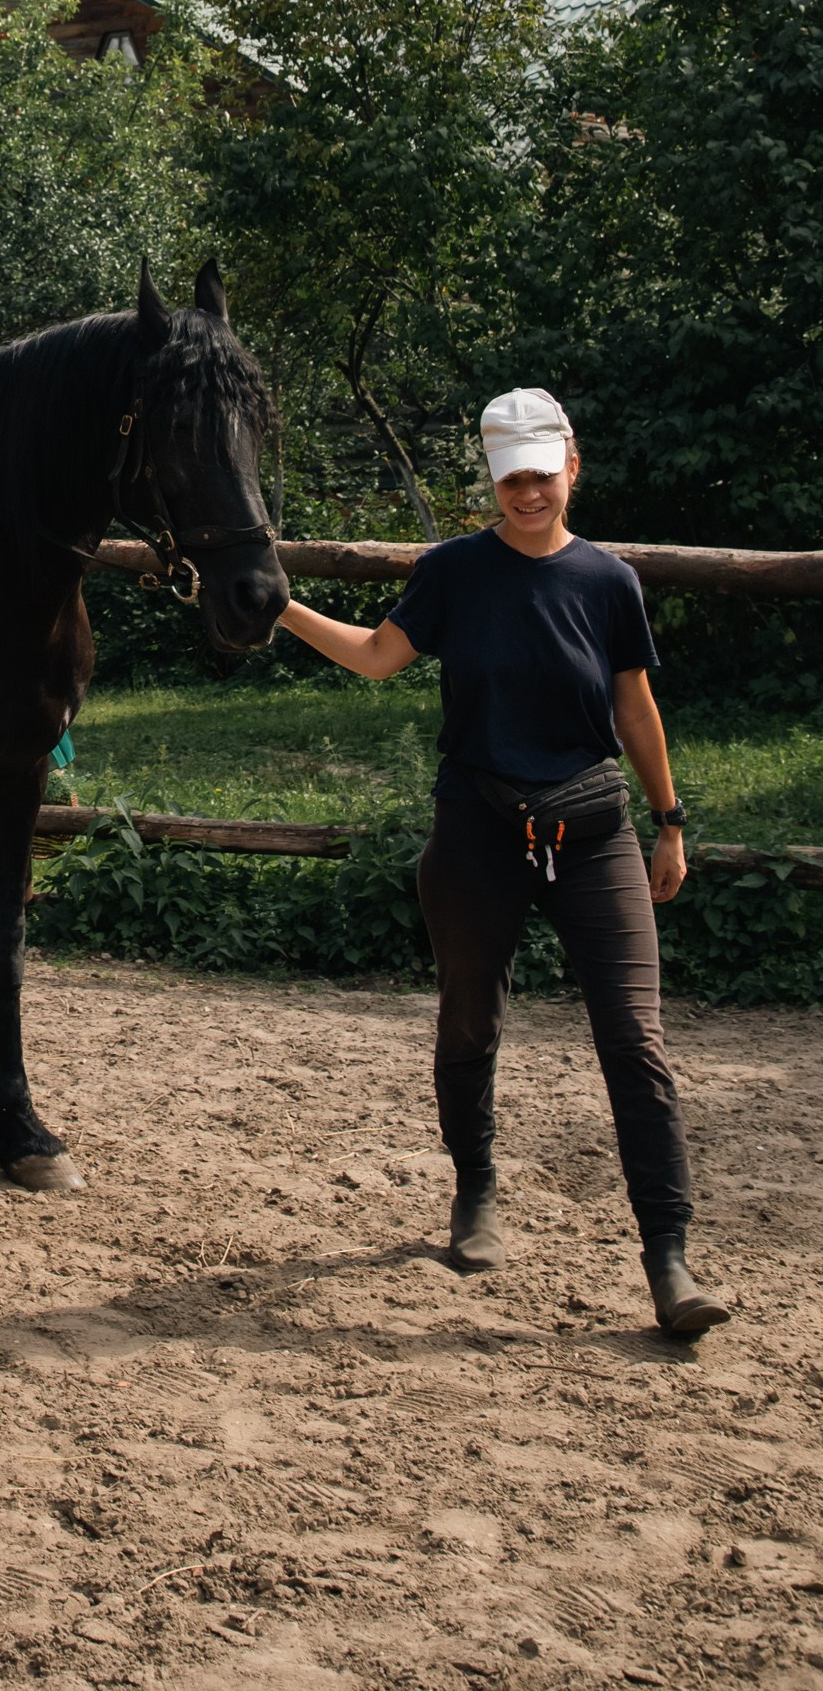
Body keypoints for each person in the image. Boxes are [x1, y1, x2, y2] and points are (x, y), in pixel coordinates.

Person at [276, 386, 731, 1343]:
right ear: (495, 480)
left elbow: (636, 710)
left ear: (573, 466)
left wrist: (670, 821)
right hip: (478, 831)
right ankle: (475, 1191)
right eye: (512, 478)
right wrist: (281, 605)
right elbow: (374, 656)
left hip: (595, 829)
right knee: (469, 1019)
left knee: (636, 1043)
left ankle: (670, 1257)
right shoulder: (455, 572)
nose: (529, 493)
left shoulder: (609, 581)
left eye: (543, 474)